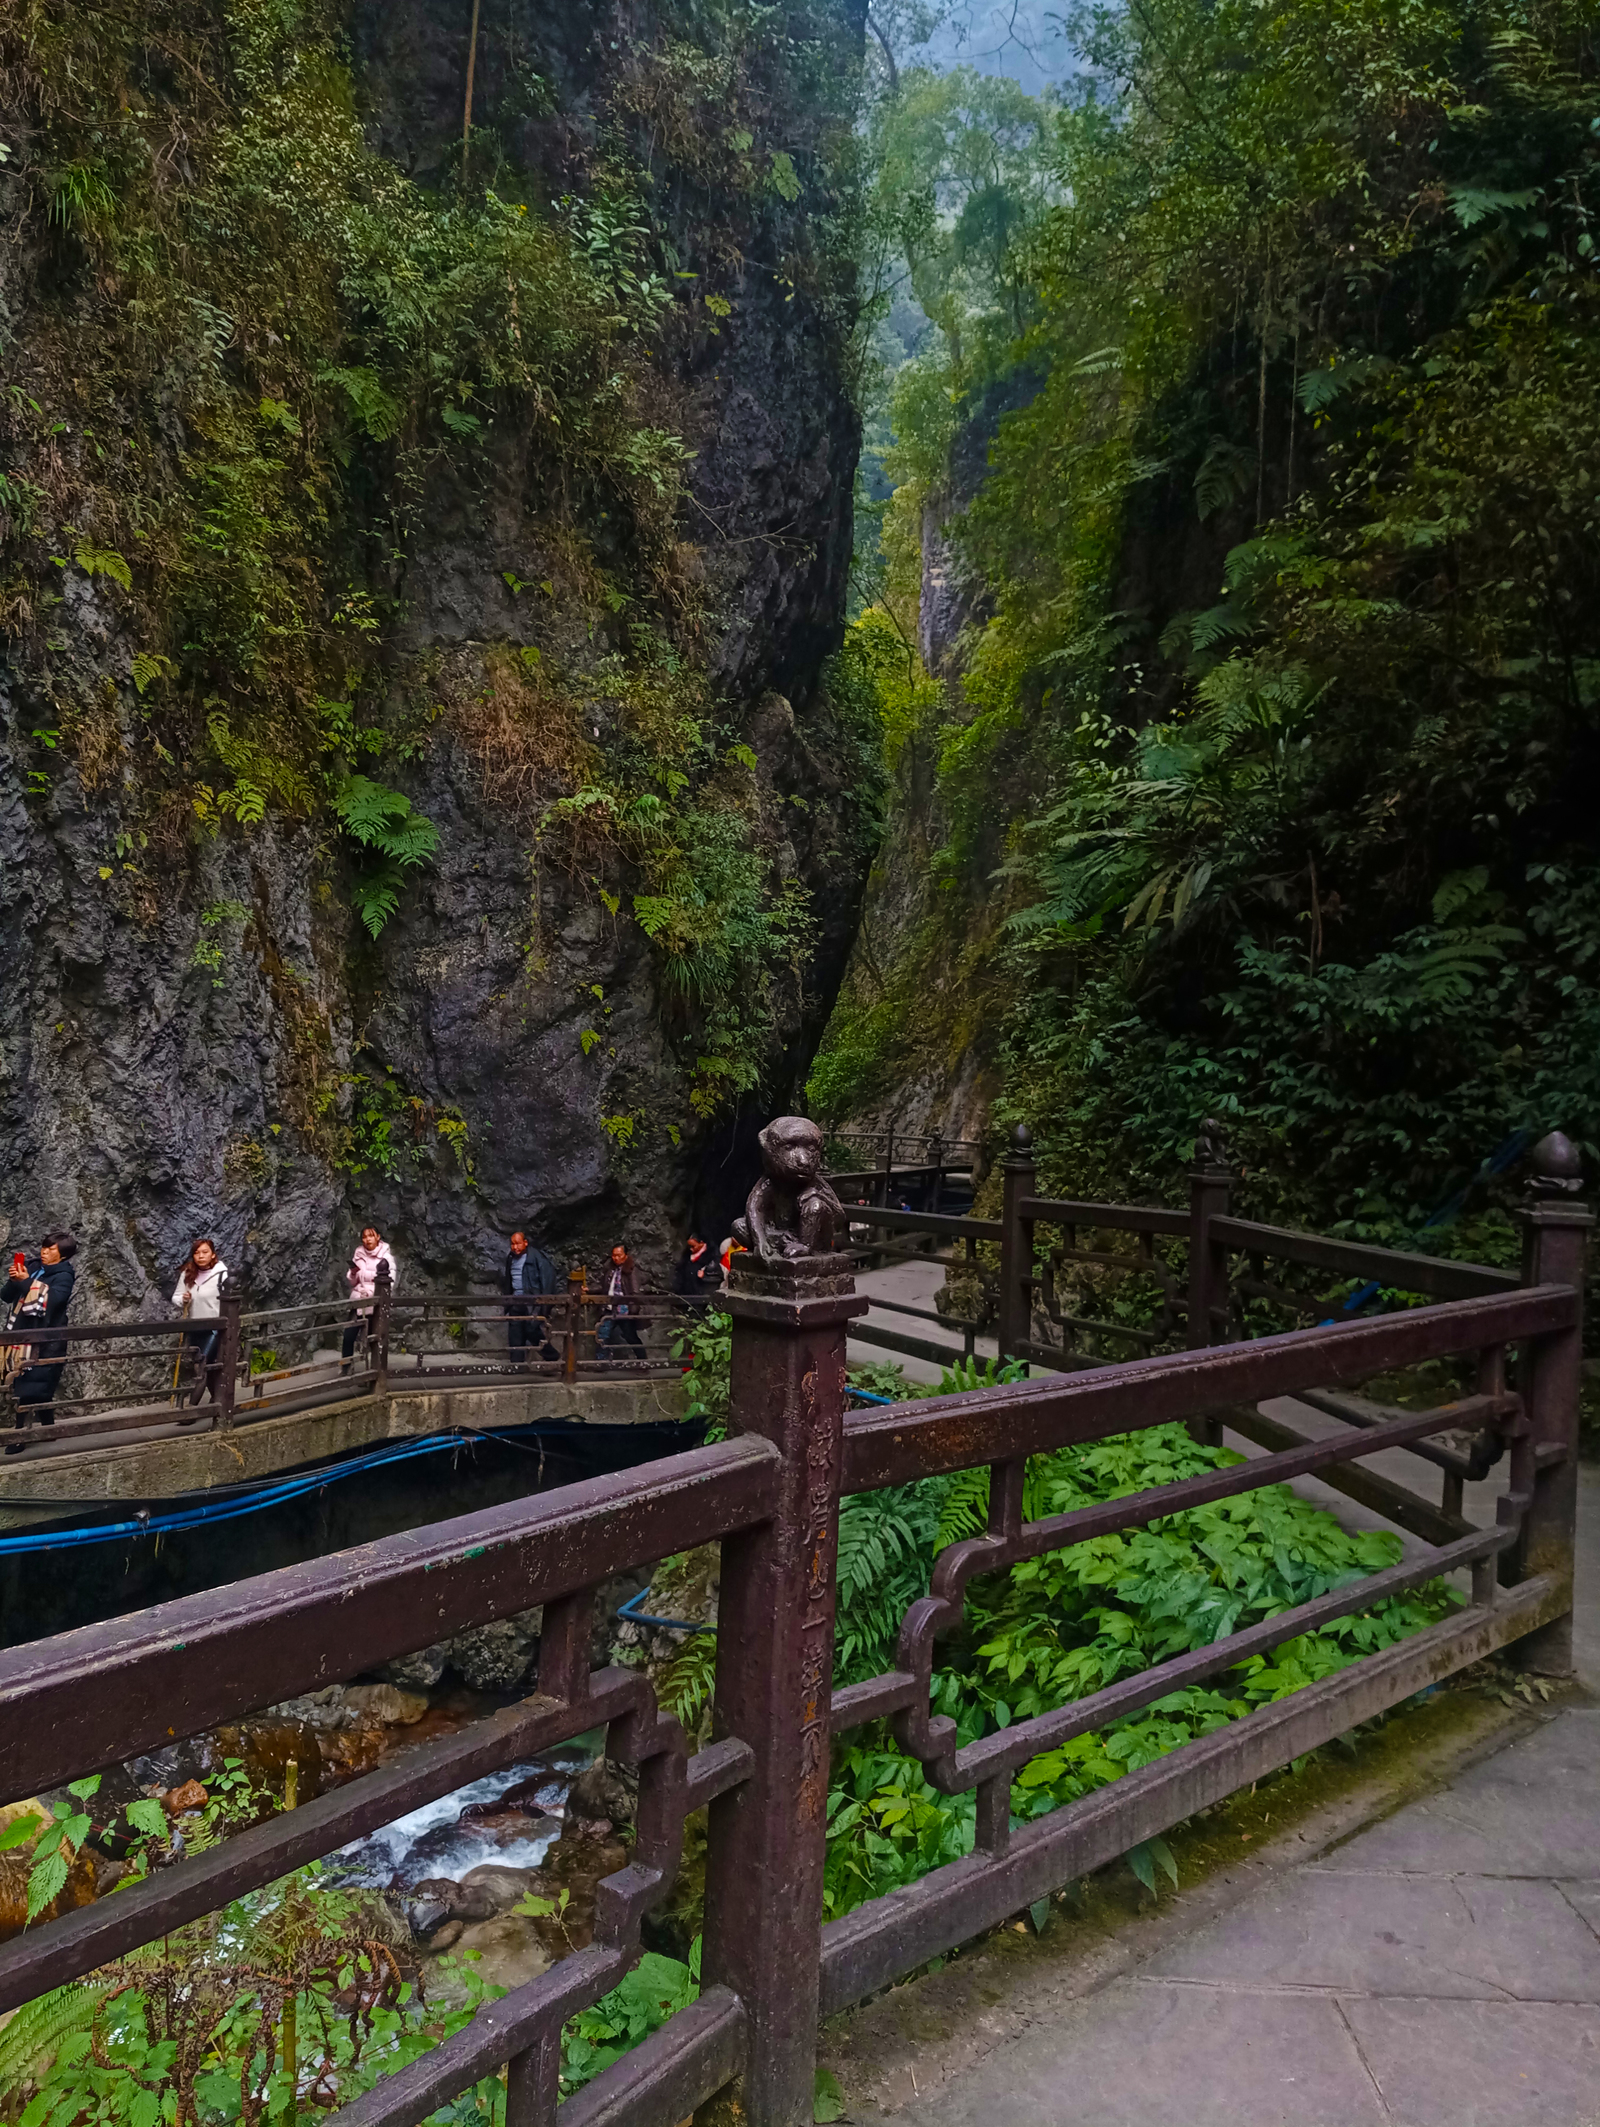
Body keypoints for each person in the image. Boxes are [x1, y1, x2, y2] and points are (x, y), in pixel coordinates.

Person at [3, 1232, 78, 1451]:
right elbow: (7, 1296)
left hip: (47, 1339)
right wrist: (14, 1279)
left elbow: (53, 1300)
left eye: (51, 1249)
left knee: (30, 1386)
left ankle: (20, 1436)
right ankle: (48, 1428)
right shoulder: (34, 1266)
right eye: (44, 1247)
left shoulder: (64, 1274)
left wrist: (26, 1281)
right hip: (21, 1334)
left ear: (63, 1255)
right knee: (33, 1384)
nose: (44, 1252)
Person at [171, 1236, 229, 1413]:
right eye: (197, 1253)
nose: (201, 1256)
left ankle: (191, 1408)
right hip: (195, 1327)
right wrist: (183, 1299)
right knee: (209, 1367)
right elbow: (176, 1297)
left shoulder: (222, 1274)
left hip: (215, 1328)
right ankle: (217, 1400)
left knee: (201, 1365)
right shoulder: (188, 1273)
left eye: (205, 1252)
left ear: (213, 1255)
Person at [343, 1224, 397, 1368]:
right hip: (359, 1300)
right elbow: (353, 1282)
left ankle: (375, 1371)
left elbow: (389, 1281)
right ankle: (346, 1368)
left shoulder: (386, 1257)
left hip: (376, 1303)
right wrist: (353, 1273)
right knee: (349, 1336)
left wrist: (368, 1279)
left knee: (374, 1338)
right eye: (364, 1237)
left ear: (378, 1237)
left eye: (371, 1236)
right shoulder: (359, 1254)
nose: (368, 1239)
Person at [503, 1229, 559, 1364]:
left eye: (518, 1243)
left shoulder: (537, 1258)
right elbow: (508, 1281)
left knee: (532, 1330)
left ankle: (552, 1356)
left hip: (532, 1302)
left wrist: (544, 1304)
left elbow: (547, 1280)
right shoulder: (510, 1258)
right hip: (516, 1300)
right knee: (515, 1333)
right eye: (512, 1244)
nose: (515, 1247)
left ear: (525, 1243)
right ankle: (516, 1364)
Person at [598, 1242, 643, 1359]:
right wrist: (589, 1290)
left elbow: (635, 1291)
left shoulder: (631, 1270)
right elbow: (605, 1287)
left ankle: (643, 1362)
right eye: (614, 1255)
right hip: (610, 1307)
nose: (616, 1258)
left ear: (626, 1255)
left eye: (619, 1255)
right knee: (602, 1335)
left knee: (630, 1336)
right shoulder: (610, 1269)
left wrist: (633, 1310)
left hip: (624, 1308)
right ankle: (600, 1362)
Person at [672, 1233, 718, 1302]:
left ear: (701, 1243)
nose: (691, 1249)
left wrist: (705, 1274)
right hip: (686, 1291)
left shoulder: (712, 1255)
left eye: (693, 1246)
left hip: (702, 1292)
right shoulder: (686, 1255)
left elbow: (717, 1272)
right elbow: (680, 1271)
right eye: (689, 1246)